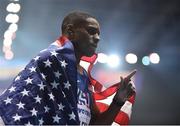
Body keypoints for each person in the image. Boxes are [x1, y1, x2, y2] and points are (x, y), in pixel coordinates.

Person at [0, 11, 136, 125]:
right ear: (70, 31)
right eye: (91, 31)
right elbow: (18, 106)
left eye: (98, 34)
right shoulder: (49, 61)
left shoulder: (84, 76)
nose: (97, 38)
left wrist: (118, 100)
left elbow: (95, 123)